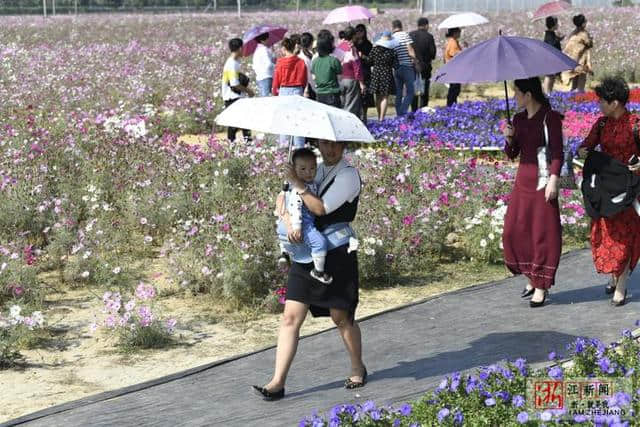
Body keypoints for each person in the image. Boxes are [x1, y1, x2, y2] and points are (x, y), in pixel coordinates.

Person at [253, 139, 366, 401]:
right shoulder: (313, 166)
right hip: (305, 255)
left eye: (335, 145)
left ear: (344, 145)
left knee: (341, 318)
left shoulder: (348, 175)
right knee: (290, 318)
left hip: (336, 252)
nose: (330, 150)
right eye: (325, 144)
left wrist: (298, 185)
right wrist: (284, 202)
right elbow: (296, 203)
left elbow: (320, 208)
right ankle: (277, 382)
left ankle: (357, 366)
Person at [577, 77, 640, 306]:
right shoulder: (602, 124)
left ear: (615, 103)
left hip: (629, 190)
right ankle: (616, 276)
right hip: (606, 190)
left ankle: (621, 285)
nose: (599, 105)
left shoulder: (635, 123)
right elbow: (587, 144)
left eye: (603, 101)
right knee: (608, 235)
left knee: (625, 236)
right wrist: (584, 150)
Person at [502, 77, 563, 308]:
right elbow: (512, 153)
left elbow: (558, 152)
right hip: (523, 182)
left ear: (528, 94)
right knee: (513, 231)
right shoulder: (517, 119)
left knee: (542, 233)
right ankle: (531, 275)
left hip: (543, 181)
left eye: (517, 92)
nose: (515, 96)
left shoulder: (550, 117)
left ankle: (540, 286)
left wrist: (553, 180)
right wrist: (509, 137)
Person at [277, 148, 332, 284]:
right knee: (320, 242)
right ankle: (318, 271)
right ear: (293, 170)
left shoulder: (309, 185)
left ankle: (284, 254)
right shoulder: (297, 189)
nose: (308, 172)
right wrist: (296, 227)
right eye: (302, 169)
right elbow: (295, 208)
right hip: (301, 223)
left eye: (312, 168)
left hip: (289, 225)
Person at [272, 37, 308, 149]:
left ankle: (284, 146)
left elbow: (276, 79)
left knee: (284, 120)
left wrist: (274, 92)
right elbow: (304, 79)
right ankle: (299, 147)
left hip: (284, 91)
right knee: (298, 120)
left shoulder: (280, 62)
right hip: (297, 90)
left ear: (283, 48)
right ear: (294, 47)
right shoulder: (301, 61)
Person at [221, 38, 254, 142]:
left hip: (234, 97)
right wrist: (249, 91)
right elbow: (234, 84)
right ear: (240, 48)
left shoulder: (234, 62)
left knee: (241, 123)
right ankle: (237, 144)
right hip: (233, 98)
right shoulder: (232, 64)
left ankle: (242, 143)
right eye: (243, 48)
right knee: (236, 124)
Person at [336, 26, 365, 118]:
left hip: (340, 79)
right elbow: (357, 66)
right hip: (351, 79)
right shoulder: (352, 48)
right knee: (351, 105)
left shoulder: (340, 47)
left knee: (343, 103)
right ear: (353, 36)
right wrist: (361, 83)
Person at [369, 32, 398, 121]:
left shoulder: (375, 50)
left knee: (377, 96)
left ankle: (378, 116)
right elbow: (396, 66)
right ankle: (382, 118)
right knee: (385, 97)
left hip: (376, 74)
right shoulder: (392, 51)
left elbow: (369, 61)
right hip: (387, 74)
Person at [410, 17, 436, 111]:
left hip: (412, 67)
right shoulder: (429, 37)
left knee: (413, 91)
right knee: (424, 92)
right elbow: (433, 54)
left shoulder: (410, 35)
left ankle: (414, 111)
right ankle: (423, 112)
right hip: (425, 67)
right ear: (426, 25)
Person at [391, 20, 417, 116]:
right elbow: (410, 49)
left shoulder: (392, 38)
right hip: (406, 66)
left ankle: (399, 114)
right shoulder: (405, 35)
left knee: (399, 92)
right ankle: (402, 111)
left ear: (393, 27)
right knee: (410, 91)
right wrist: (415, 60)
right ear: (401, 26)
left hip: (397, 68)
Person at [561, 14, 593, 92]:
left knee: (575, 79)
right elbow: (589, 44)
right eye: (585, 21)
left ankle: (572, 95)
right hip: (581, 60)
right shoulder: (584, 34)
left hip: (573, 60)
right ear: (583, 23)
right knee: (582, 79)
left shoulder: (573, 33)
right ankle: (580, 96)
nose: (586, 22)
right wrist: (591, 39)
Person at [312, 34, 343, 108]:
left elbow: (314, 77)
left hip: (319, 93)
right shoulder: (334, 60)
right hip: (332, 92)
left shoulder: (314, 61)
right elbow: (340, 78)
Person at [354, 24, 375, 123]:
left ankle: (365, 116)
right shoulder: (352, 44)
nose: (359, 33)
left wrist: (363, 57)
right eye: (357, 31)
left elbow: (372, 61)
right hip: (354, 73)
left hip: (365, 72)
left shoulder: (368, 44)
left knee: (365, 96)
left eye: (361, 31)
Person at [542, 16, 564, 94]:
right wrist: (558, 39)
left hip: (550, 58)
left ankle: (548, 92)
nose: (558, 25)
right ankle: (547, 92)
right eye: (557, 23)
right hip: (550, 59)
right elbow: (552, 45)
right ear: (554, 25)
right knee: (549, 76)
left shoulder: (550, 33)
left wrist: (558, 38)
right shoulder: (549, 34)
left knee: (551, 76)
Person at [444, 28, 463, 107]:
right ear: (454, 33)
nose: (460, 34)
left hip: (453, 69)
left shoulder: (453, 41)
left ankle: (452, 105)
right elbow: (454, 55)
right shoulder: (453, 42)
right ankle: (451, 106)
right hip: (454, 70)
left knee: (454, 89)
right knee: (454, 89)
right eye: (459, 32)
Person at [252, 33, 275, 97]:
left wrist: (272, 54)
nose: (268, 40)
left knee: (264, 98)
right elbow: (268, 64)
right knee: (267, 98)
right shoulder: (264, 49)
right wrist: (276, 66)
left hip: (260, 77)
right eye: (267, 38)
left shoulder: (257, 50)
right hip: (266, 76)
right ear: (262, 40)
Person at [298, 32, 317, 100]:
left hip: (306, 87)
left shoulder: (299, 57)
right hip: (311, 87)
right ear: (311, 43)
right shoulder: (314, 55)